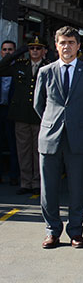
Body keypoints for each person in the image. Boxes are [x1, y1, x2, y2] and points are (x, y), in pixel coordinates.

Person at [35, 26, 83, 249]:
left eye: (71, 42)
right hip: (50, 136)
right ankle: (52, 231)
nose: (67, 47)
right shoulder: (45, 72)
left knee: (77, 188)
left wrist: (79, 125)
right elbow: (39, 105)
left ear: (78, 46)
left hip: (79, 136)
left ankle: (76, 231)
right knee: (49, 189)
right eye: (62, 42)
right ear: (56, 46)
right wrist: (53, 123)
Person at [0, 36, 48, 194]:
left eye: (38, 48)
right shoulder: (20, 65)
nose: (34, 51)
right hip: (21, 114)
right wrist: (18, 52)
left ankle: (36, 182)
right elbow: (3, 66)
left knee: (37, 150)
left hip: (39, 115)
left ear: (43, 51)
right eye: (32, 48)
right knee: (23, 150)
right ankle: (25, 182)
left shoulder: (48, 67)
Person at [0, 40, 18, 185]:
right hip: (0, 109)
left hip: (12, 111)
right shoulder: (1, 67)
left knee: (14, 144)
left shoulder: (18, 68)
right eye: (4, 50)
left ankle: (14, 175)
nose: (7, 52)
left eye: (10, 50)